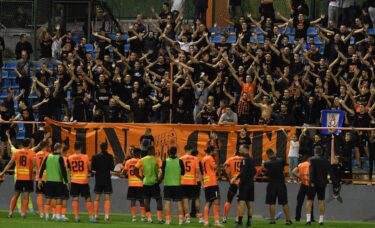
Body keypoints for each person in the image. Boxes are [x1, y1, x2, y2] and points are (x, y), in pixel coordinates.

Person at [0, 138, 35, 218]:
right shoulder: (31, 153)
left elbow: (9, 163)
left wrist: (3, 172)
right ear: (29, 144)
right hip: (28, 178)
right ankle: (23, 213)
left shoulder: (17, 152)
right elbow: (35, 166)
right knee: (26, 197)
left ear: (22, 144)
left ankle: (10, 213)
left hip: (19, 177)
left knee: (16, 195)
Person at [38, 143, 69, 221]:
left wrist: (40, 179)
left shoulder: (48, 157)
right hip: (58, 181)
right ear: (59, 149)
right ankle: (58, 215)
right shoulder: (60, 158)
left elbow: (42, 168)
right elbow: (63, 171)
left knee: (48, 198)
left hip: (48, 181)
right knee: (59, 198)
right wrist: (66, 182)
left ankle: (47, 215)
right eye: (61, 148)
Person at [134, 146, 164, 224]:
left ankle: (149, 218)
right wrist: (160, 180)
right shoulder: (157, 159)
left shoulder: (142, 160)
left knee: (147, 200)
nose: (155, 152)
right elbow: (162, 170)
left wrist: (141, 178)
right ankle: (160, 219)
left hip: (146, 182)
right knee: (158, 200)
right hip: (154, 183)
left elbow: (135, 170)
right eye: (154, 150)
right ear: (152, 151)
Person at [262, 148, 292, 225]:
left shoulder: (266, 163)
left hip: (271, 184)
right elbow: (283, 168)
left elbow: (265, 174)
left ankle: (272, 220)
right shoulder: (281, 160)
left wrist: (263, 167)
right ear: (274, 153)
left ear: (268, 155)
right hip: (281, 184)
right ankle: (288, 220)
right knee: (284, 203)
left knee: (271, 203)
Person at [67, 141, 95, 223]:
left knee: (75, 198)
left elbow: (68, 168)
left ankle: (76, 217)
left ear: (74, 148)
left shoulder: (70, 158)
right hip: (83, 181)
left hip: (74, 180)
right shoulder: (85, 157)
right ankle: (91, 217)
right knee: (88, 198)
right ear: (81, 148)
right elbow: (89, 168)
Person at [306, 146, 332, 226]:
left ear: (314, 151)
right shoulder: (326, 160)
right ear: (321, 152)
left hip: (313, 183)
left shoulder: (312, 159)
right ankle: (321, 220)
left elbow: (311, 171)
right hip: (322, 184)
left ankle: (308, 220)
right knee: (321, 201)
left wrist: (311, 181)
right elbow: (328, 173)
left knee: (309, 201)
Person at [159, 147, 185, 225]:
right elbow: (183, 173)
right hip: (177, 185)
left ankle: (168, 220)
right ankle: (180, 220)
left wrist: (159, 181)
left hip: (167, 185)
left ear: (168, 152)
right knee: (179, 203)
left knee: (167, 202)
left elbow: (162, 173)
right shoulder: (180, 161)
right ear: (176, 152)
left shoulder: (165, 161)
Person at [233, 144, 256, 228]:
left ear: (245, 149)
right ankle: (249, 223)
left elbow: (243, 171)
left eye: (240, 148)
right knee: (250, 204)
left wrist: (235, 177)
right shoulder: (252, 160)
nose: (239, 150)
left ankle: (239, 222)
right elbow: (254, 171)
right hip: (251, 184)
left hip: (244, 184)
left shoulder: (244, 159)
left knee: (241, 203)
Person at [91, 141, 115, 221]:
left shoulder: (95, 156)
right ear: (107, 147)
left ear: (100, 147)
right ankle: (107, 216)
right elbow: (112, 168)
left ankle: (96, 215)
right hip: (107, 179)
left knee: (97, 197)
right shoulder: (110, 156)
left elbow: (93, 169)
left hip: (98, 179)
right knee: (107, 197)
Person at [180, 144, 203, 224]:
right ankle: (200, 218)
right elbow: (198, 171)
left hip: (183, 182)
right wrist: (202, 183)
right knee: (196, 199)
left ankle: (187, 219)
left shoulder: (181, 159)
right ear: (191, 149)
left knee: (185, 200)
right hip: (193, 182)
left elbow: (179, 172)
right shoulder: (195, 158)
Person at [201, 146, 223, 227]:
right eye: (214, 151)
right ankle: (216, 221)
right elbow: (215, 168)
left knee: (208, 202)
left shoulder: (203, 158)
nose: (215, 152)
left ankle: (206, 221)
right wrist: (220, 168)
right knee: (216, 201)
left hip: (207, 182)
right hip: (212, 182)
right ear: (211, 151)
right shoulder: (210, 158)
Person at [122, 148, 146, 222]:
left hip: (131, 184)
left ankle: (134, 217)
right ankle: (142, 217)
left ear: (133, 153)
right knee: (142, 201)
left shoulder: (128, 162)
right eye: (139, 153)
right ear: (138, 153)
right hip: (140, 184)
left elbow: (124, 173)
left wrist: (125, 172)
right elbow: (144, 172)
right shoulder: (142, 161)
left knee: (133, 201)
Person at [222, 150, 243, 223]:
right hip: (241, 182)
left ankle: (224, 218)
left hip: (233, 182)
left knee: (228, 200)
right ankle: (237, 218)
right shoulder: (244, 159)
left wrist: (229, 179)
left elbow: (223, 168)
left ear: (235, 153)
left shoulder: (231, 159)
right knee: (240, 202)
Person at [292, 154, 314, 222]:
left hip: (303, 184)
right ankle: (311, 218)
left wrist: (300, 176)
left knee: (299, 202)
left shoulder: (301, 164)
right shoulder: (311, 165)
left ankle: (297, 218)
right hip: (309, 185)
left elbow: (293, 171)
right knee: (310, 202)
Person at [35, 141, 50, 218]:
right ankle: (50, 213)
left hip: (39, 178)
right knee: (49, 196)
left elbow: (34, 166)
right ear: (47, 146)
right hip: (47, 177)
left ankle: (41, 213)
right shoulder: (49, 155)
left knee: (39, 195)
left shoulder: (36, 154)